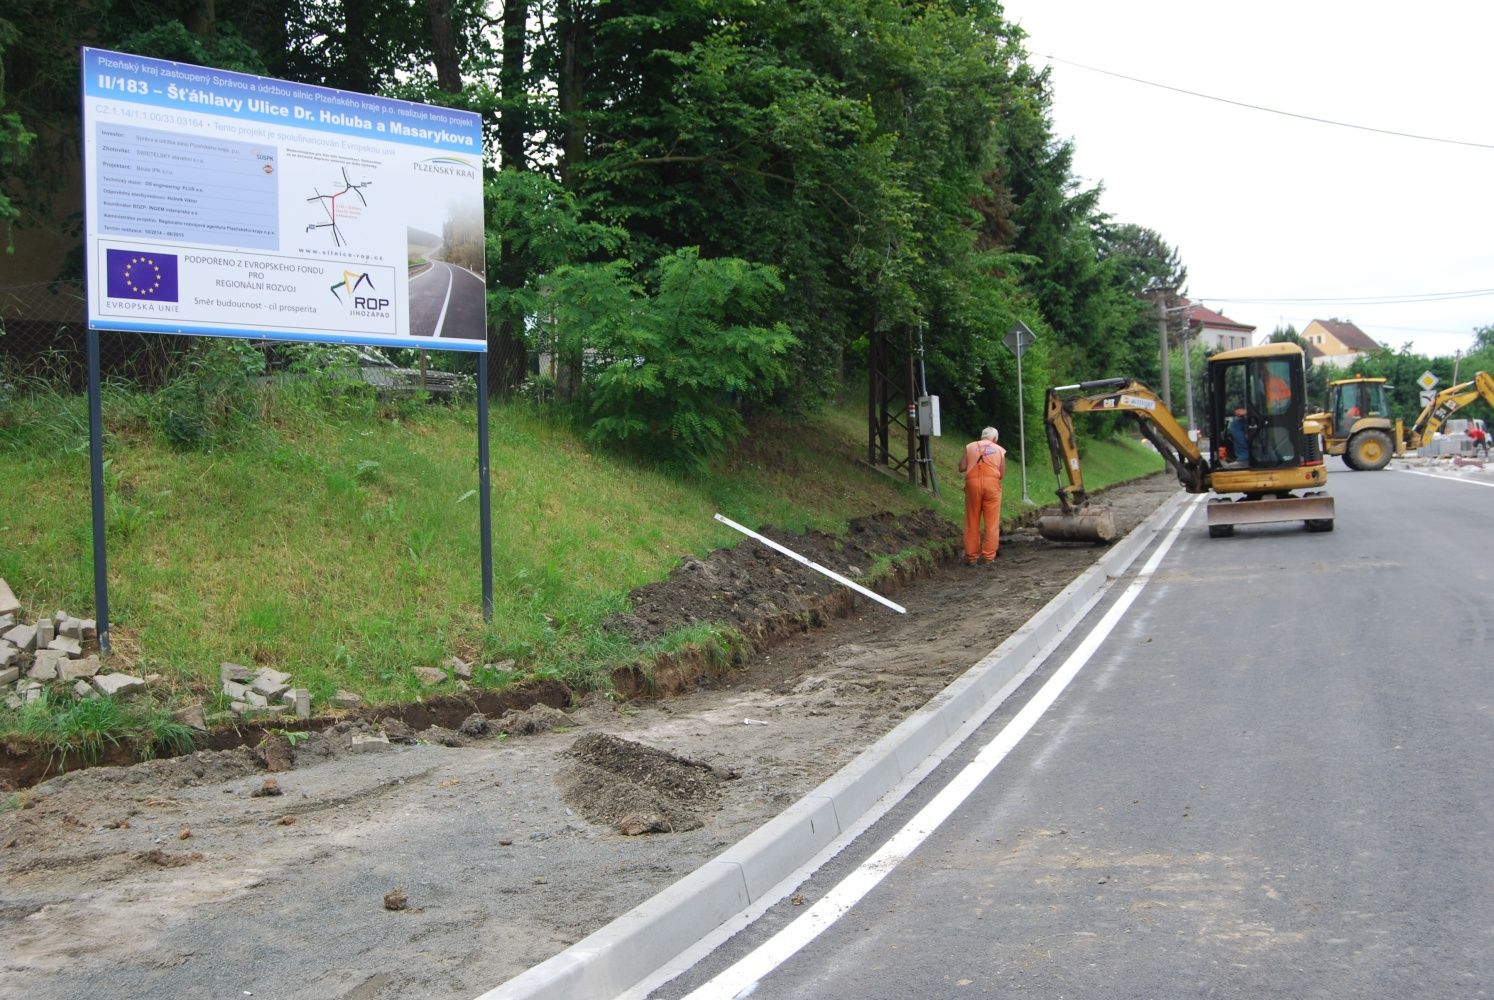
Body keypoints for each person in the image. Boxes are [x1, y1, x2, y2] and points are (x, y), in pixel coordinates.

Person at [958, 426, 1006, 566]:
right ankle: (988, 557)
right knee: (992, 523)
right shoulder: (999, 450)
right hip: (992, 486)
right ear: (995, 439)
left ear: (982, 437)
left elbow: (961, 467)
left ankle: (972, 557)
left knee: (972, 521)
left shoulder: (970, 446)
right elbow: (1001, 474)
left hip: (973, 485)